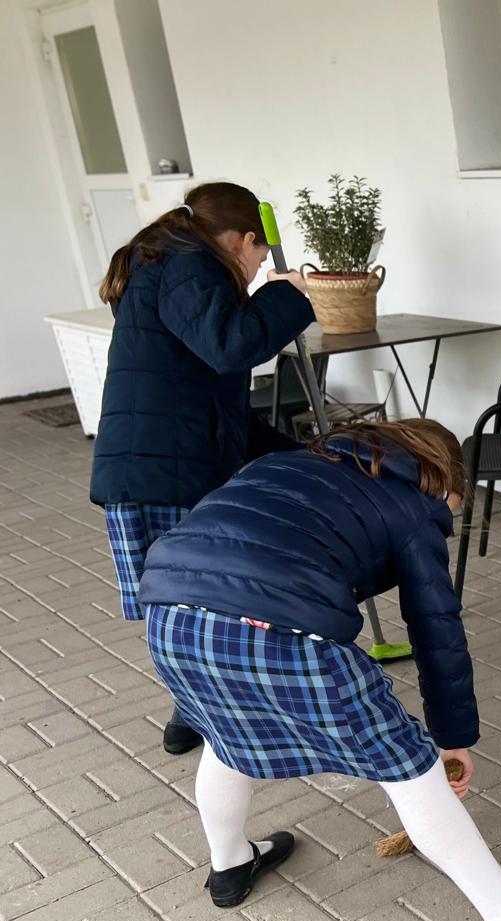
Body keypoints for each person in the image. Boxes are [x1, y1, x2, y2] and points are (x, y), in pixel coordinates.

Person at [138, 419, 501, 921]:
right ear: (439, 476)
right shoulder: (413, 503)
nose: (449, 518)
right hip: (277, 631)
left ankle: (230, 863)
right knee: (409, 766)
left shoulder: (284, 465)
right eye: (454, 506)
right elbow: (437, 632)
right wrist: (451, 739)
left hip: (168, 617)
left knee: (226, 733)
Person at [89, 181, 315, 755]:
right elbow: (231, 346)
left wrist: (302, 455)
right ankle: (204, 713)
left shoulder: (174, 262)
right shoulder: (189, 266)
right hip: (163, 470)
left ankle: (195, 709)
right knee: (192, 599)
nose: (258, 271)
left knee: (185, 601)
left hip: (162, 464)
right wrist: (284, 295)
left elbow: (217, 403)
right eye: (259, 258)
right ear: (243, 239)